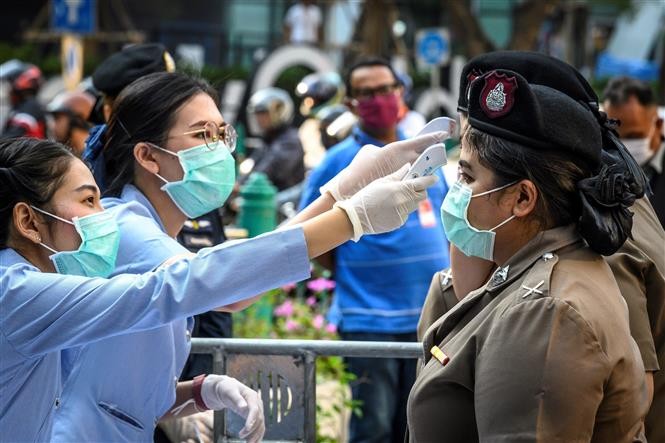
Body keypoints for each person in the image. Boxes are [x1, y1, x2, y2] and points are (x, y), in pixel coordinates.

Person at [48, 71, 444, 442]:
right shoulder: (124, 225)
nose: (219, 150)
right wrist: (349, 216)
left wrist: (201, 392)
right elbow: (225, 287)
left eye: (222, 134)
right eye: (202, 134)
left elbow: (123, 392)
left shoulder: (157, 230)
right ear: (148, 157)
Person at [418, 50, 665, 443]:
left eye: (467, 175)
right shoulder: (549, 255)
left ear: (523, 198)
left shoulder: (550, 305)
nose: (456, 191)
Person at [299, 57, 450, 443]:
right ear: (351, 103)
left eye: (386, 89)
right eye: (367, 93)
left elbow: (449, 226)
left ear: (400, 92)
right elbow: (309, 237)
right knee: (374, 429)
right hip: (369, 321)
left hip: (428, 322)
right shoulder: (338, 163)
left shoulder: (425, 152)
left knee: (419, 428)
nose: (379, 99)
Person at [603, 76, 664, 227]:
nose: (622, 146)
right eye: (613, 135)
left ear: (657, 125)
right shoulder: (599, 169)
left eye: (633, 136)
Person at [245, 87, 305, 191]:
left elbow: (268, 171)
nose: (259, 119)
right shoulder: (268, 140)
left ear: (280, 112)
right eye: (257, 114)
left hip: (284, 202)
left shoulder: (290, 141)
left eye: (264, 113)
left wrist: (242, 185)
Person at [0, 60, 48, 139]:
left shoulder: (30, 107)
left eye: (9, 83)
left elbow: (10, 139)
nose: (7, 90)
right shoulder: (21, 107)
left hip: (32, 151)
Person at [47, 90, 95, 157]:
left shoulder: (97, 157)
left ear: (78, 120)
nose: (51, 125)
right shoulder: (66, 157)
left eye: (57, 118)